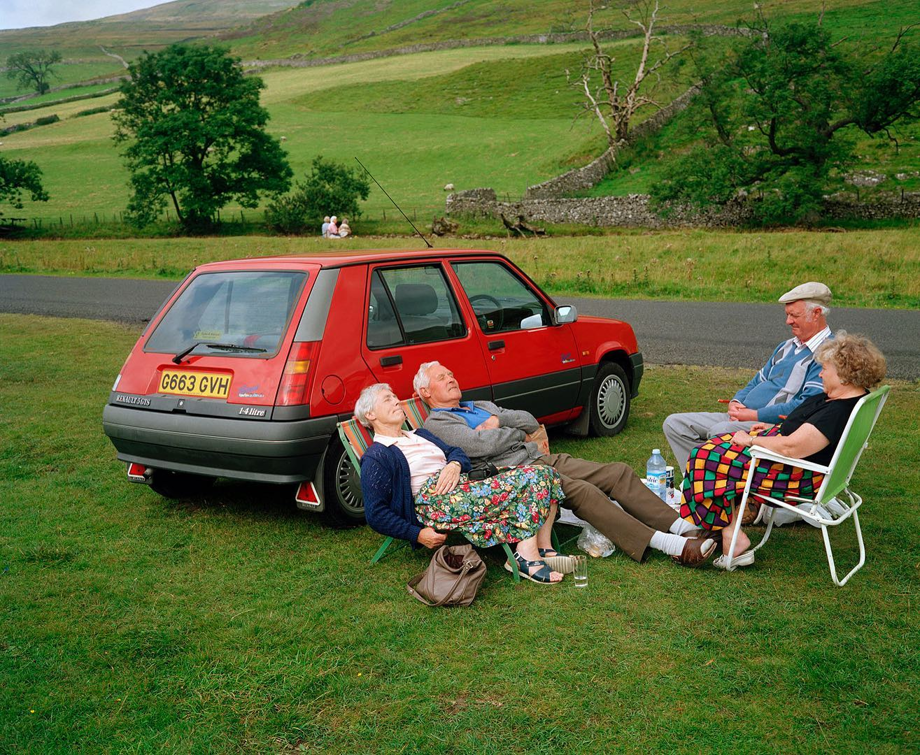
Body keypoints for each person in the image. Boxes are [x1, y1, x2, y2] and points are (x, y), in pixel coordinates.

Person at [416, 362, 717, 568]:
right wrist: (513, 433)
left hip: (540, 457)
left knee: (617, 472)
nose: (451, 378)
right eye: (442, 378)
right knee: (584, 493)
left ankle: (685, 528)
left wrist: (499, 421)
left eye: (451, 373)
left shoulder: (479, 406)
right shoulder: (439, 422)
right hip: (519, 474)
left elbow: (530, 421)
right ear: (425, 393)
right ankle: (672, 546)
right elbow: (482, 446)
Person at [680, 333, 886, 569]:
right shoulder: (849, 398)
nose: (820, 374)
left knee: (704, 459)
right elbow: (803, 431)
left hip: (795, 474)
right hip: (792, 459)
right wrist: (772, 428)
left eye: (825, 369)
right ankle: (730, 531)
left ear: (844, 376)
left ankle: (730, 537)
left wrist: (750, 440)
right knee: (713, 450)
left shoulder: (837, 412)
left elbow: (792, 448)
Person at [356, 383, 567, 584]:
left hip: (462, 483)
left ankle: (543, 547)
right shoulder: (377, 455)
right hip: (436, 501)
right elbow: (375, 513)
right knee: (529, 480)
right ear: (371, 415)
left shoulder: (419, 434)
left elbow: (455, 451)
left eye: (394, 397)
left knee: (547, 473)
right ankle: (525, 557)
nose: (396, 401)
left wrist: (454, 464)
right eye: (387, 399)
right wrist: (417, 534)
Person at [663, 281, 834, 475]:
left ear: (817, 313)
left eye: (794, 315)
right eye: (787, 315)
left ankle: (717, 487)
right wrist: (737, 400)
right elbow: (757, 380)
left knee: (720, 431)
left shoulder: (827, 353)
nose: (788, 321)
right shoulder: (787, 346)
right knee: (674, 424)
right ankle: (695, 482)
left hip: (770, 426)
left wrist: (753, 415)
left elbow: (805, 406)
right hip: (741, 416)